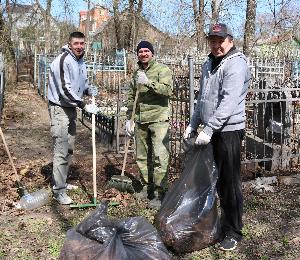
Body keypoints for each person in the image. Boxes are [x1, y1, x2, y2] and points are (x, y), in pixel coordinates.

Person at [184, 23, 251, 251]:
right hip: (209, 130)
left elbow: (228, 102)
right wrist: (193, 124)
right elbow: (202, 98)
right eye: (212, 40)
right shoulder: (209, 63)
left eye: (220, 40)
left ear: (230, 40)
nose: (216, 45)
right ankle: (214, 225)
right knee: (209, 181)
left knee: (229, 183)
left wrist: (209, 129)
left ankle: (233, 231)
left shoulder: (236, 64)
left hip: (229, 131)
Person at [48, 31, 99, 205]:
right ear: (69, 44)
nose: (79, 46)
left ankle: (62, 181)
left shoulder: (80, 61)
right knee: (61, 149)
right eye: (76, 43)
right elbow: (65, 89)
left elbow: (79, 85)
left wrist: (87, 90)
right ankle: (58, 190)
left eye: (82, 43)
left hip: (70, 108)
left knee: (69, 148)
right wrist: (84, 105)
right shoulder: (63, 60)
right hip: (60, 108)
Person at [125, 40, 173, 208]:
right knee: (142, 157)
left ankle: (161, 193)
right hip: (140, 119)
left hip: (158, 119)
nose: (143, 54)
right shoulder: (136, 72)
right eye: (140, 51)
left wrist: (149, 83)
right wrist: (129, 118)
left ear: (152, 53)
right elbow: (132, 96)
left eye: (146, 51)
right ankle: (147, 187)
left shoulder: (162, 70)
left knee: (160, 157)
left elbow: (168, 90)